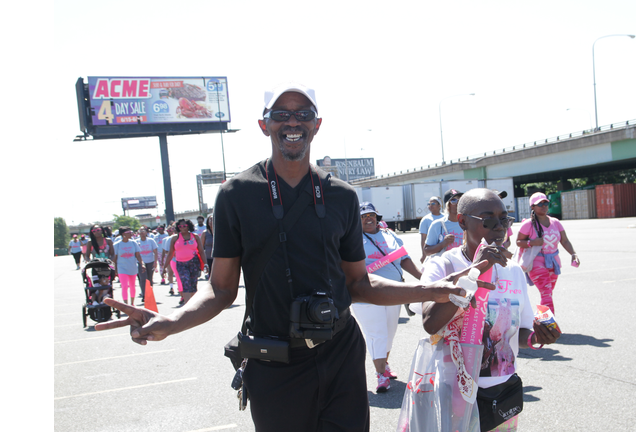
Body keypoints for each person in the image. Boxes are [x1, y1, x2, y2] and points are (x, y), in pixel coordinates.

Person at [96, 82, 469, 432]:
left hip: (341, 354)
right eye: (281, 114)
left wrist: (430, 290)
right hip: (275, 363)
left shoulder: (341, 196)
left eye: (303, 114)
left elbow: (359, 283)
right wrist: (173, 319)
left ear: (317, 125)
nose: (293, 122)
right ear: (264, 124)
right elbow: (221, 290)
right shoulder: (235, 195)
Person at [421, 188, 562, 432]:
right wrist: (476, 270)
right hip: (455, 389)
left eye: (504, 219)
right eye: (489, 220)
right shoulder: (443, 266)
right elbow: (430, 323)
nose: (500, 227)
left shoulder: (514, 271)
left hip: (503, 389)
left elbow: (519, 333)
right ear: (462, 221)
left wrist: (537, 337)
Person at [353, 202, 424, 393]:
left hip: (393, 292)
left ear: (377, 217)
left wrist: (424, 280)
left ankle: (383, 364)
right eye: (363, 216)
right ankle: (380, 375)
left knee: (389, 335)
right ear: (357, 220)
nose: (368, 218)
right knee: (378, 335)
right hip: (366, 295)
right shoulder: (353, 238)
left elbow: (404, 260)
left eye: (371, 215)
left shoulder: (390, 235)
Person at [516, 192, 579, 315]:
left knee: (548, 294)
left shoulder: (555, 222)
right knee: (546, 293)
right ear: (532, 207)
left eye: (546, 203)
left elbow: (564, 240)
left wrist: (573, 254)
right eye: (540, 204)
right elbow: (519, 242)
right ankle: (550, 326)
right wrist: (532, 242)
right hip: (536, 263)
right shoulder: (528, 224)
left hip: (553, 262)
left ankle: (541, 321)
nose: (544, 206)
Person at [163, 218, 206, 306]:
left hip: (193, 262)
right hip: (181, 264)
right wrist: (164, 267)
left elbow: (201, 251)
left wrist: (205, 264)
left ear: (189, 226)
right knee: (186, 283)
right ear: (178, 227)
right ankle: (187, 305)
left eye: (184, 226)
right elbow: (171, 253)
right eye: (180, 226)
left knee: (193, 284)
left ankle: (194, 304)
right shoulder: (175, 238)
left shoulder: (195, 236)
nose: (182, 228)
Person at [424, 189, 465, 258]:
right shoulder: (438, 224)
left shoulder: (467, 224)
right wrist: (443, 243)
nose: (458, 203)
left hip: (463, 266)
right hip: (444, 266)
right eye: (454, 201)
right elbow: (427, 251)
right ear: (447, 205)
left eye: (460, 200)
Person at [113, 227, 145, 305]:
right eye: (129, 232)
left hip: (132, 267)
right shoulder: (117, 245)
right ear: (123, 234)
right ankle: (126, 304)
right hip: (122, 268)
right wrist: (115, 270)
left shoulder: (134, 243)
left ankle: (132, 303)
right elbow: (115, 258)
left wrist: (142, 264)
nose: (131, 234)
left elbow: (138, 255)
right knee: (124, 286)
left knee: (132, 286)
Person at [419, 195, 445, 264]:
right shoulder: (425, 219)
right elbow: (423, 238)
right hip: (432, 251)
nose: (430, 206)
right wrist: (424, 254)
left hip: (445, 250)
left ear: (440, 205)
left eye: (433, 204)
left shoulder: (445, 217)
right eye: (429, 204)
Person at [136, 227, 159, 301]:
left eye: (143, 231)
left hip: (150, 261)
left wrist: (155, 262)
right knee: (143, 279)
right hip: (141, 262)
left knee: (149, 279)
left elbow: (155, 252)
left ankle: (149, 294)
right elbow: (136, 254)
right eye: (140, 231)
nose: (142, 233)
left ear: (146, 232)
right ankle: (144, 294)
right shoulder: (136, 241)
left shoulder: (151, 241)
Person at [200, 214, 214, 280]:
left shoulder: (220, 231)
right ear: (208, 222)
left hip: (219, 257)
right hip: (209, 258)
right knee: (211, 276)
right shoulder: (205, 233)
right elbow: (201, 247)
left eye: (213, 219)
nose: (211, 221)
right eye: (210, 220)